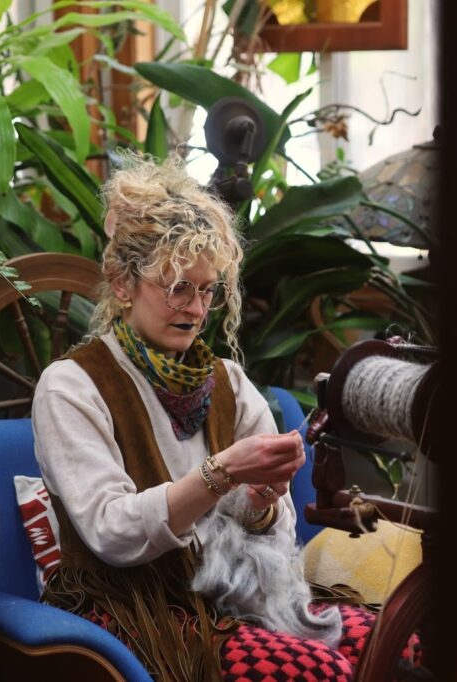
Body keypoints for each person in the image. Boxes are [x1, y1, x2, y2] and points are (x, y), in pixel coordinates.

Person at [31, 156, 375, 681]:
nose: (195, 309)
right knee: (319, 669)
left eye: (208, 290)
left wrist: (261, 505)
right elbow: (111, 533)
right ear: (122, 284)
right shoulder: (72, 385)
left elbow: (277, 540)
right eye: (176, 288)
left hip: (234, 597)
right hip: (138, 610)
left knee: (398, 641)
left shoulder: (228, 383)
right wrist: (222, 474)